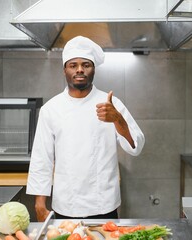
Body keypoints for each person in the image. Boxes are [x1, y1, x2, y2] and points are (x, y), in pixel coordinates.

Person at [26, 36, 145, 221]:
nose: (80, 69)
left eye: (86, 64)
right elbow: (42, 158)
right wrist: (39, 203)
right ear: (64, 69)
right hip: (66, 203)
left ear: (93, 69)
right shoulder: (51, 109)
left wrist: (117, 119)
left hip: (103, 203)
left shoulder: (111, 104)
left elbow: (136, 146)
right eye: (73, 65)